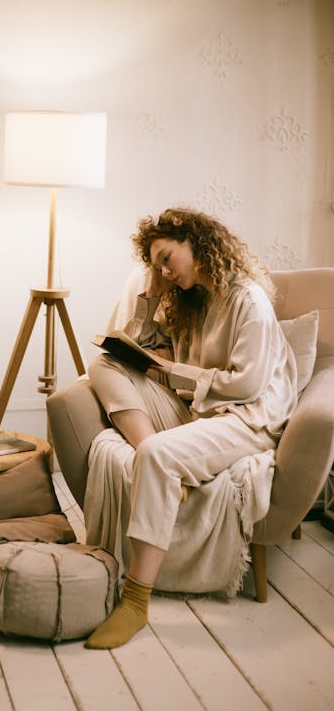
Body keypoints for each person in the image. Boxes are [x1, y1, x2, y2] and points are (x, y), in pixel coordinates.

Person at [77, 207, 298, 650]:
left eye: (166, 258)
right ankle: (163, 462)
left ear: (194, 242)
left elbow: (248, 384)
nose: (162, 270)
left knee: (155, 456)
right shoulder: (191, 299)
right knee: (103, 364)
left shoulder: (247, 299)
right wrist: (152, 297)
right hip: (196, 410)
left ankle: (134, 602)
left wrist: (175, 371)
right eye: (154, 265)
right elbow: (138, 347)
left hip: (246, 418)